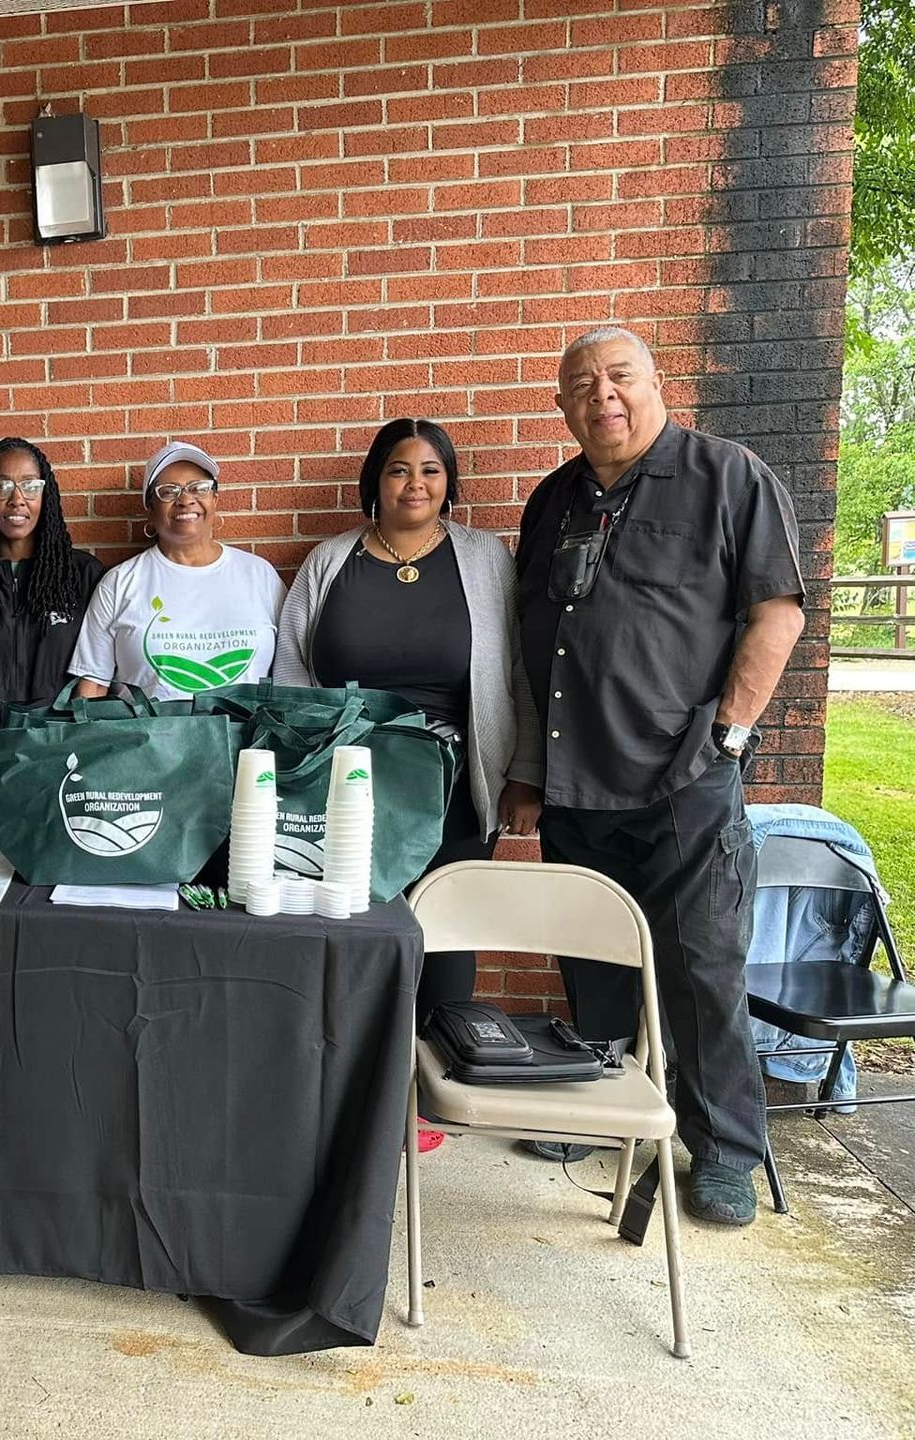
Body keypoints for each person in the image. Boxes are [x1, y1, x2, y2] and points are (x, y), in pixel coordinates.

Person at [514, 326, 805, 1227]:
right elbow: (535, 640)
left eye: (619, 377)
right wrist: (531, 770)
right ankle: (604, 1115)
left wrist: (727, 736)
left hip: (683, 778)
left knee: (699, 968)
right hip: (575, 778)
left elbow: (777, 615)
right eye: (580, 385)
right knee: (595, 961)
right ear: (561, 408)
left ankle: (723, 1152)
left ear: (655, 384)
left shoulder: (729, 478)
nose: (601, 395)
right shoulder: (551, 500)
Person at [274, 419, 545, 1152]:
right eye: (399, 470)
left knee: (444, 933)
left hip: (453, 782)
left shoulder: (486, 559)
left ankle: (426, 1092)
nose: (415, 484)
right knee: (351, 928)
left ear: (450, 482)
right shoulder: (330, 561)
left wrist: (523, 774)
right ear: (375, 481)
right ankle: (353, 1089)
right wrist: (300, 762)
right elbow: (292, 672)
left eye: (431, 470)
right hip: (345, 780)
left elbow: (516, 672)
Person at [0, 437, 105, 812]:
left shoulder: (82, 576)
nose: (17, 499)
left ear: (46, 494)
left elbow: (99, 675)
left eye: (30, 485)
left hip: (61, 767)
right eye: (1, 486)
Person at [71, 441, 285, 700]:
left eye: (199, 488)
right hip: (152, 737)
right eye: (168, 491)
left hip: (246, 738)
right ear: (150, 508)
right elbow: (92, 688)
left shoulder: (260, 576)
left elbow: (290, 674)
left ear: (215, 499)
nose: (185, 499)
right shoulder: (119, 583)